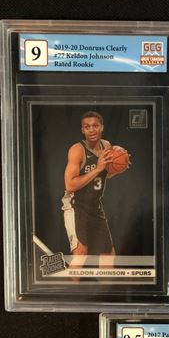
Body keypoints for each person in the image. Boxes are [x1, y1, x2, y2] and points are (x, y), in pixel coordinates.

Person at [62, 111, 125, 261]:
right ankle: (71, 278)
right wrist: (97, 168)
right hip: (75, 205)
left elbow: (104, 175)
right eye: (87, 126)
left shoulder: (107, 147)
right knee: (80, 252)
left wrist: (118, 167)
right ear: (82, 130)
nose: (91, 130)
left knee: (108, 254)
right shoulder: (77, 150)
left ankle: (104, 279)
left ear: (102, 127)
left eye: (95, 126)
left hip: (94, 206)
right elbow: (70, 185)